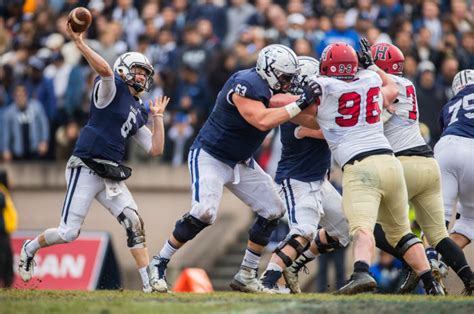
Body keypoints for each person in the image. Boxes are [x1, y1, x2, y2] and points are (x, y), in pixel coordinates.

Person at [148, 44, 321, 293]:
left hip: (241, 161)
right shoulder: (246, 82)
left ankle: (247, 274)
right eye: (284, 77)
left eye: (290, 78)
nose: (287, 83)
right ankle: (159, 262)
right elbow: (261, 121)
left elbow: (306, 119)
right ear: (269, 70)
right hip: (211, 155)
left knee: (274, 210)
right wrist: (301, 101)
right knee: (204, 212)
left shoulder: (271, 88)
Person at [17, 22, 171, 293]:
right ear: (124, 69)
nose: (142, 76)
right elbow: (105, 70)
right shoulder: (111, 89)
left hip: (109, 172)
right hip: (86, 166)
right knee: (68, 233)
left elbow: (155, 149)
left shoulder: (138, 108)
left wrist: (158, 118)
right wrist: (79, 43)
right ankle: (30, 247)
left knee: (134, 222)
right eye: (137, 70)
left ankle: (149, 286)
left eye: (145, 73)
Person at [304, 39, 443, 295]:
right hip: (391, 163)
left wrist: (295, 108)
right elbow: (390, 88)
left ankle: (360, 273)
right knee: (401, 232)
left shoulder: (325, 88)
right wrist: (374, 68)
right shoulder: (369, 81)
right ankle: (430, 283)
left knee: (362, 228)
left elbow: (306, 118)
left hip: (361, 166)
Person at [369, 43, 474, 295]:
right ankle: (466, 278)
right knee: (444, 230)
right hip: (426, 160)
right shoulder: (408, 86)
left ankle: (420, 263)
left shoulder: (448, 104)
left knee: (372, 225)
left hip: (433, 153)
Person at [258, 56, 350, 293]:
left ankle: (295, 263)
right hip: (297, 179)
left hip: (319, 180)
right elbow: (326, 128)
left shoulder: (312, 104)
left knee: (344, 229)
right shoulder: (294, 109)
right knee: (304, 230)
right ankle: (267, 281)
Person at [434, 69, 474, 294]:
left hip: (446, 147)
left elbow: (444, 129)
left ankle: (434, 260)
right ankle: (440, 262)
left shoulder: (449, 105)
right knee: (469, 219)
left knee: (439, 214)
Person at [0, 170, 18, 288]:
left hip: (4, 232)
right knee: (4, 259)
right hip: (1, 233)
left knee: (7, 259)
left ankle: (8, 284)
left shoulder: (4, 192)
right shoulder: (1, 192)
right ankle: (7, 284)